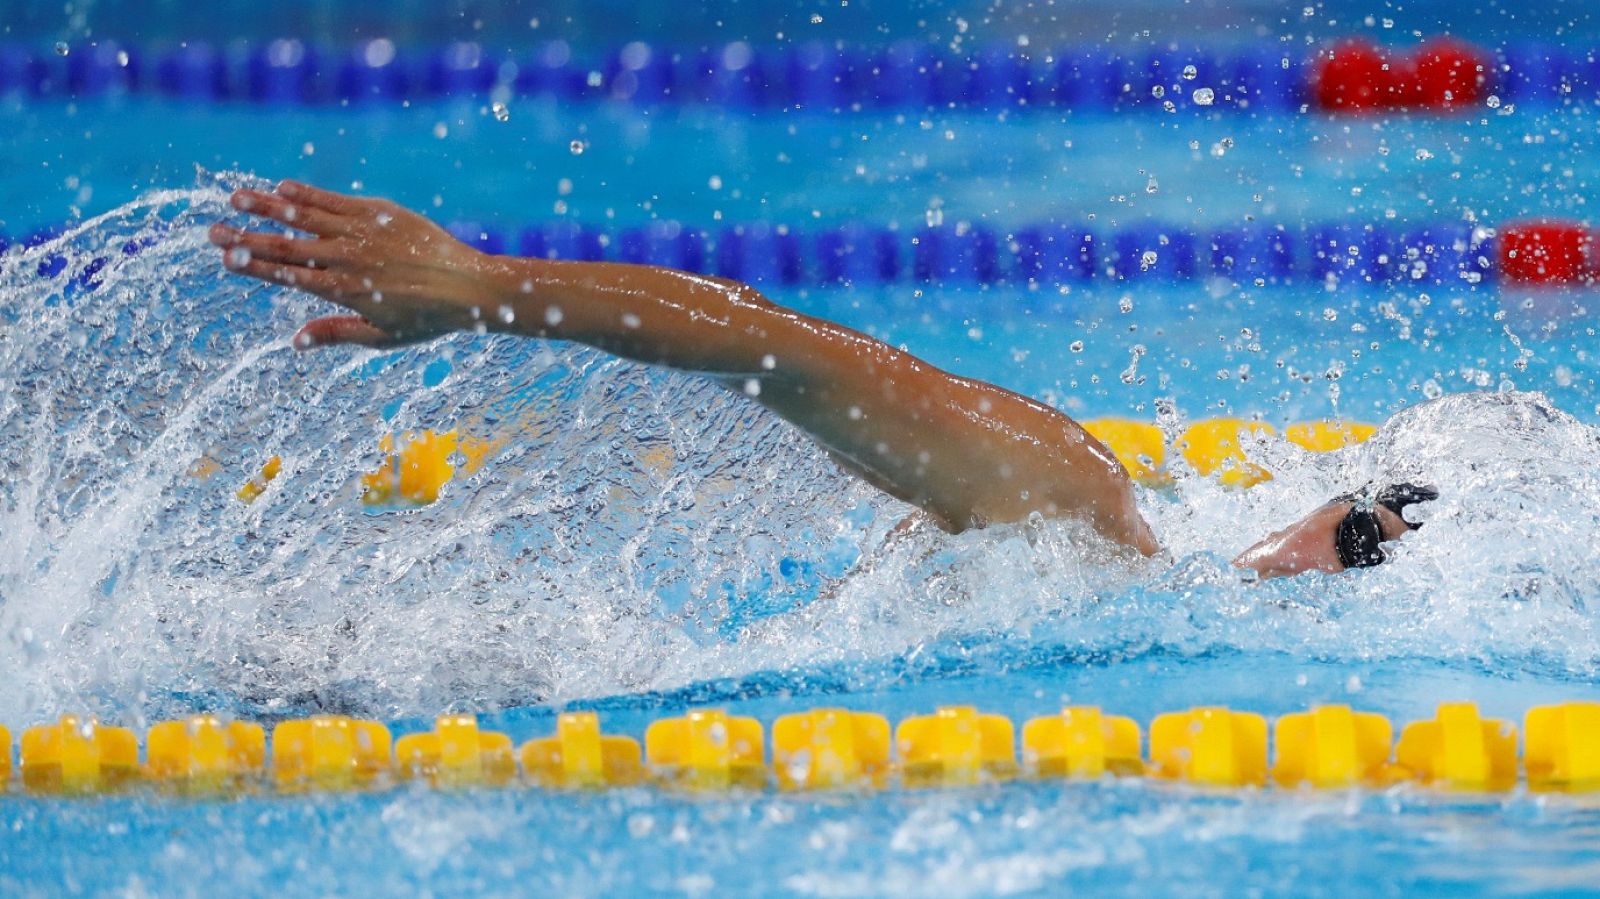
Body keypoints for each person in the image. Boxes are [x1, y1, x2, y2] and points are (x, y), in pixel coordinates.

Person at [208, 180, 1435, 579]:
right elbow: (765, 340)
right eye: (1364, 530)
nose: (1323, 557)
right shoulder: (1072, 496)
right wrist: (484, 286)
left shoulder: (1096, 572)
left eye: (1364, 544)